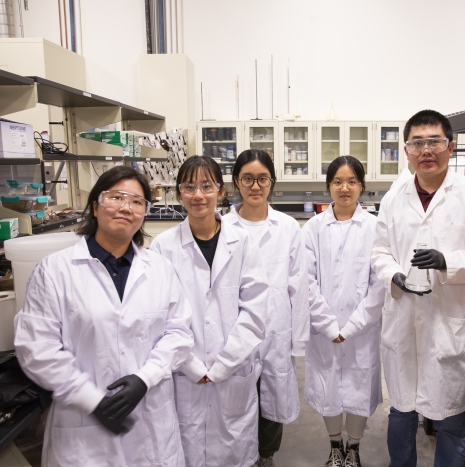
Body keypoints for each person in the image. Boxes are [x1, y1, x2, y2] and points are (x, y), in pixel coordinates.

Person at [14, 166, 194, 467]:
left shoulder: (160, 269)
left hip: (150, 423)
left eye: (137, 202)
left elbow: (179, 333)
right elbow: (37, 348)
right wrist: (91, 400)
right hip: (82, 430)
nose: (126, 207)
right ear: (96, 206)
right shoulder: (55, 271)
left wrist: (143, 379)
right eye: (116, 197)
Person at [371, 110, 465, 467]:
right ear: (406, 150)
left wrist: (448, 261)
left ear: (451, 146)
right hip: (403, 320)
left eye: (434, 141)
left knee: (450, 419)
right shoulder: (393, 197)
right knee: (401, 414)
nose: (426, 150)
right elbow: (380, 251)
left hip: (450, 323)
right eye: (417, 142)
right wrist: (394, 275)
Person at [150, 155, 268, 467]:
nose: (198, 195)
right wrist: (190, 365)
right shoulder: (163, 247)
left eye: (206, 186)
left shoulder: (242, 242)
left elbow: (255, 310)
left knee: (234, 448)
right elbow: (156, 315)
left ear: (220, 191)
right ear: (178, 193)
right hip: (183, 372)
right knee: (187, 448)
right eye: (189, 187)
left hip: (232, 370)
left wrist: (223, 364)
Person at [223, 149, 310, 467]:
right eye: (248, 178)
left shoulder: (287, 227)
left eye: (262, 178)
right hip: (232, 326)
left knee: (272, 394)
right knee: (235, 395)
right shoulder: (223, 227)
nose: (255, 186)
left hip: (276, 327)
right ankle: (238, 454)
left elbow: (299, 285)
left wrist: (298, 339)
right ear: (236, 182)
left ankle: (266, 456)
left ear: (272, 182)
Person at [303, 156, 384, 467]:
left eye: (351, 181)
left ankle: (355, 449)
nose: (345, 187)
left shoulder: (375, 228)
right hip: (323, 330)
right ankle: (335, 446)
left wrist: (350, 328)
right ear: (329, 187)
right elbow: (305, 279)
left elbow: (379, 284)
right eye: (338, 181)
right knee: (329, 388)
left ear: (361, 186)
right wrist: (328, 325)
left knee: (358, 387)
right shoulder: (313, 228)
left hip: (361, 330)